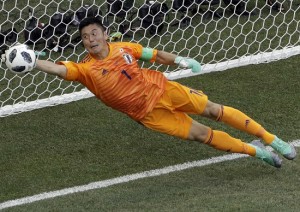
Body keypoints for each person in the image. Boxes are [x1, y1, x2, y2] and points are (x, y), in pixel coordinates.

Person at [4, 17, 296, 168]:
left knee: (213, 110)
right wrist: (32, 61)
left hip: (164, 89)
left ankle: (273, 140)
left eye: (94, 33)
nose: (90, 39)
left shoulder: (125, 47)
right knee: (201, 135)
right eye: (84, 37)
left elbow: (155, 55)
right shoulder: (84, 70)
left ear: (105, 34)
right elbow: (57, 69)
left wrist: (181, 59)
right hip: (147, 114)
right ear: (83, 44)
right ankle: (256, 152)